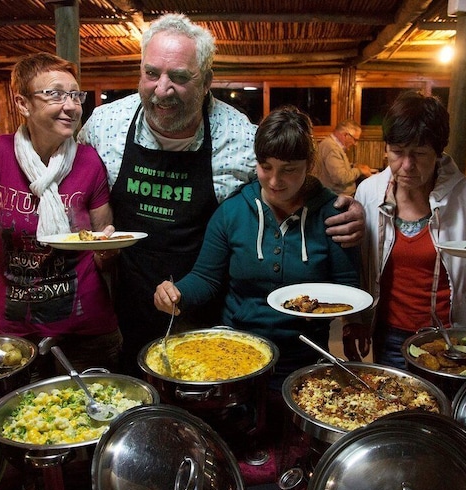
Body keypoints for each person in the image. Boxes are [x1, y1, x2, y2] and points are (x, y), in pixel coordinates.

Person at [0, 13, 365, 375]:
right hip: (126, 303)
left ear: (207, 81)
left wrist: (340, 206)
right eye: (151, 74)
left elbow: (285, 178)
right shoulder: (106, 125)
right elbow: (58, 170)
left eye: (180, 77)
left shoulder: (238, 134)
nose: (162, 89)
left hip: (207, 304)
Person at [153, 106, 360, 384]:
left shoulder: (333, 215)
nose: (275, 181)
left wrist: (346, 322)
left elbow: (347, 285)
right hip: (236, 349)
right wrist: (176, 292)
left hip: (305, 354)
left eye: (289, 170)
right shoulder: (233, 212)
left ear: (309, 166)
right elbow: (206, 278)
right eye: (266, 167)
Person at [0, 53, 121, 372]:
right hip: (17, 330)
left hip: (87, 329)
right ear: (23, 104)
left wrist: (108, 250)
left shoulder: (89, 162)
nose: (70, 105)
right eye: (55, 94)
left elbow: (102, 247)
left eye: (75, 95)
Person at [343, 91, 466, 368]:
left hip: (452, 335)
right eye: (397, 152)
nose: (406, 166)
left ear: (438, 152)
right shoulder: (369, 193)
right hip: (390, 335)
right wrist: (355, 321)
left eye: (419, 153)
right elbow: (358, 265)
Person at [313, 119, 373, 196]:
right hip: (338, 197)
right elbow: (340, 178)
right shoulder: (332, 148)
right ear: (345, 135)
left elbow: (337, 167)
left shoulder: (332, 145)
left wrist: (353, 166)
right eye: (355, 139)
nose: (355, 144)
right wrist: (360, 171)